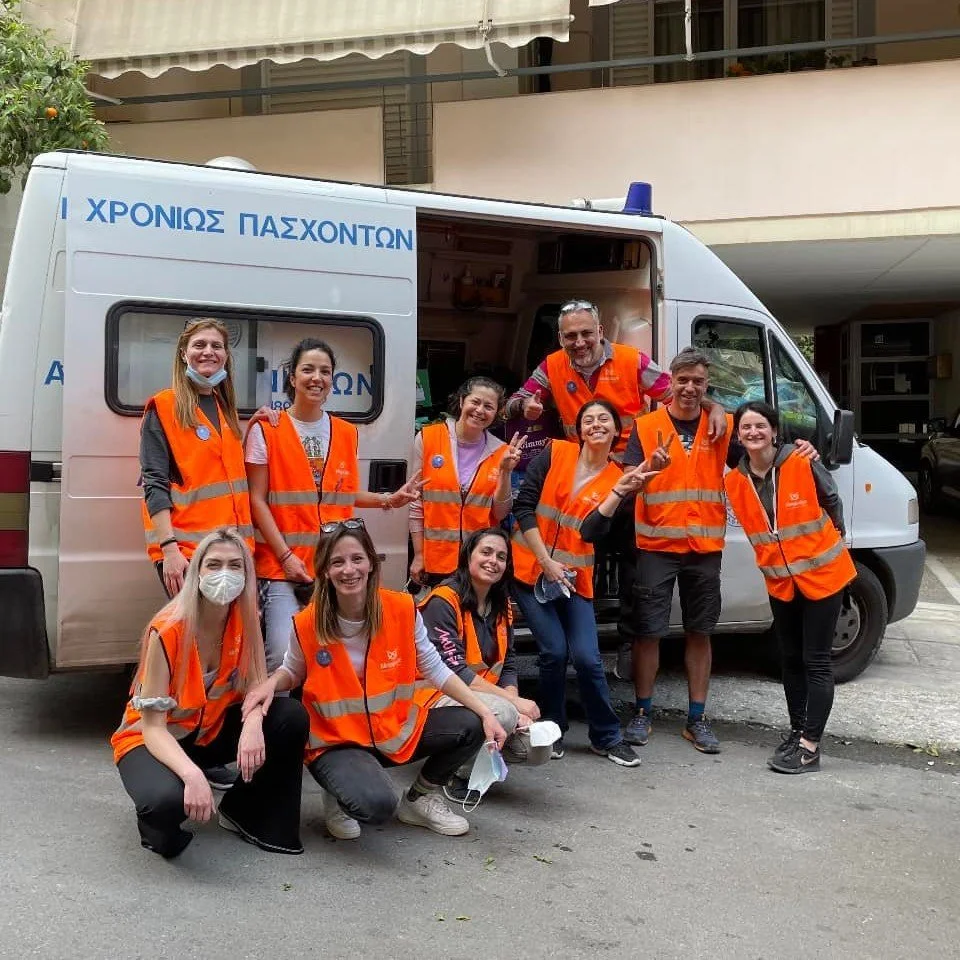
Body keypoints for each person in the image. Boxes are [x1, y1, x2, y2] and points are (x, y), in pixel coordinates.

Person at [242, 519, 508, 840]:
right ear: (324, 570)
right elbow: (292, 671)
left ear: (371, 562)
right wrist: (271, 683)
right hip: (336, 741)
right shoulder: (307, 623)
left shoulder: (402, 609)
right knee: (377, 806)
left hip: (392, 729)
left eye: (357, 559)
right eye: (336, 562)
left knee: (471, 723)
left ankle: (420, 799)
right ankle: (338, 792)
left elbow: (437, 670)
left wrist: (485, 712)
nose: (348, 569)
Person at [111, 528, 309, 858]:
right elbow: (153, 728)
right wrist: (192, 774)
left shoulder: (245, 619)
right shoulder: (168, 629)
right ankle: (156, 823)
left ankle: (247, 811)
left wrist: (252, 724)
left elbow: (259, 688)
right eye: (214, 565)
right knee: (166, 803)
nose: (224, 575)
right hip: (150, 740)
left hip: (206, 735)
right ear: (196, 571)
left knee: (288, 716)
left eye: (235, 566)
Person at [245, 338, 423, 671]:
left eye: (325, 371)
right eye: (308, 369)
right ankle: (277, 721)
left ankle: (324, 722)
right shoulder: (268, 429)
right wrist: (285, 557)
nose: (317, 377)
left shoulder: (345, 432)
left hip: (333, 567)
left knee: (331, 656)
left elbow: (342, 493)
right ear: (292, 377)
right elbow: (256, 499)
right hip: (282, 568)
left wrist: (388, 500)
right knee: (283, 656)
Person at [511, 399, 653, 767]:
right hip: (530, 571)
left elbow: (594, 532)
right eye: (588, 419)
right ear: (578, 429)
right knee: (554, 652)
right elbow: (523, 506)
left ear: (616, 430)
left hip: (575, 580)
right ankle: (553, 728)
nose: (595, 424)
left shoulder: (617, 478)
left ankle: (606, 737)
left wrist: (621, 493)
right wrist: (545, 561)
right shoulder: (555, 452)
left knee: (589, 660)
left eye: (603, 418)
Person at [725, 401, 856, 774]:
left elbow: (831, 499)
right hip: (781, 583)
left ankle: (810, 746)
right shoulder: (735, 481)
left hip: (822, 576)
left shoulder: (801, 461)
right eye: (746, 427)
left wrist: (838, 537)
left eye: (760, 426)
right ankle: (798, 731)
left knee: (815, 661)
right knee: (790, 659)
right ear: (738, 436)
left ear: (774, 431)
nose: (753, 433)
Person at [418, 527, 542, 803]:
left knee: (535, 748)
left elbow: (507, 663)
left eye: (501, 556)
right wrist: (514, 705)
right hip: (433, 695)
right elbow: (454, 671)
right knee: (506, 714)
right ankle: (454, 773)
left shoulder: (502, 604)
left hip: (481, 695)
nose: (493, 561)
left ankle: (476, 761)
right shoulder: (444, 601)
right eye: (485, 552)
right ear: (467, 557)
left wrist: (513, 699)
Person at [504, 300, 727, 453]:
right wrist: (523, 405)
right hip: (583, 462)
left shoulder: (633, 360)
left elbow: (678, 395)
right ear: (561, 339)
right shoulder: (551, 366)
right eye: (571, 336)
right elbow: (509, 405)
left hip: (630, 461)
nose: (580, 342)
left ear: (600, 332)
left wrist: (713, 407)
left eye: (586, 333)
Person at [140, 317, 255, 599]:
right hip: (188, 553)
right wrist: (169, 551)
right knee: (195, 637)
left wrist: (254, 426)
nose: (208, 351)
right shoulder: (165, 407)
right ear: (183, 353)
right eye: (199, 345)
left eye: (217, 346)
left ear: (226, 356)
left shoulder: (224, 409)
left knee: (230, 639)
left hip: (231, 551)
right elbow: (154, 484)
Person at [409, 376, 525, 587]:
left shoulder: (501, 451)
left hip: (479, 563)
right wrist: (418, 554)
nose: (480, 410)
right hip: (437, 561)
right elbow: (416, 503)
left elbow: (500, 514)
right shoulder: (428, 438)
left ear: (496, 413)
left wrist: (506, 471)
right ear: (462, 401)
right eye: (475, 402)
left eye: (489, 406)